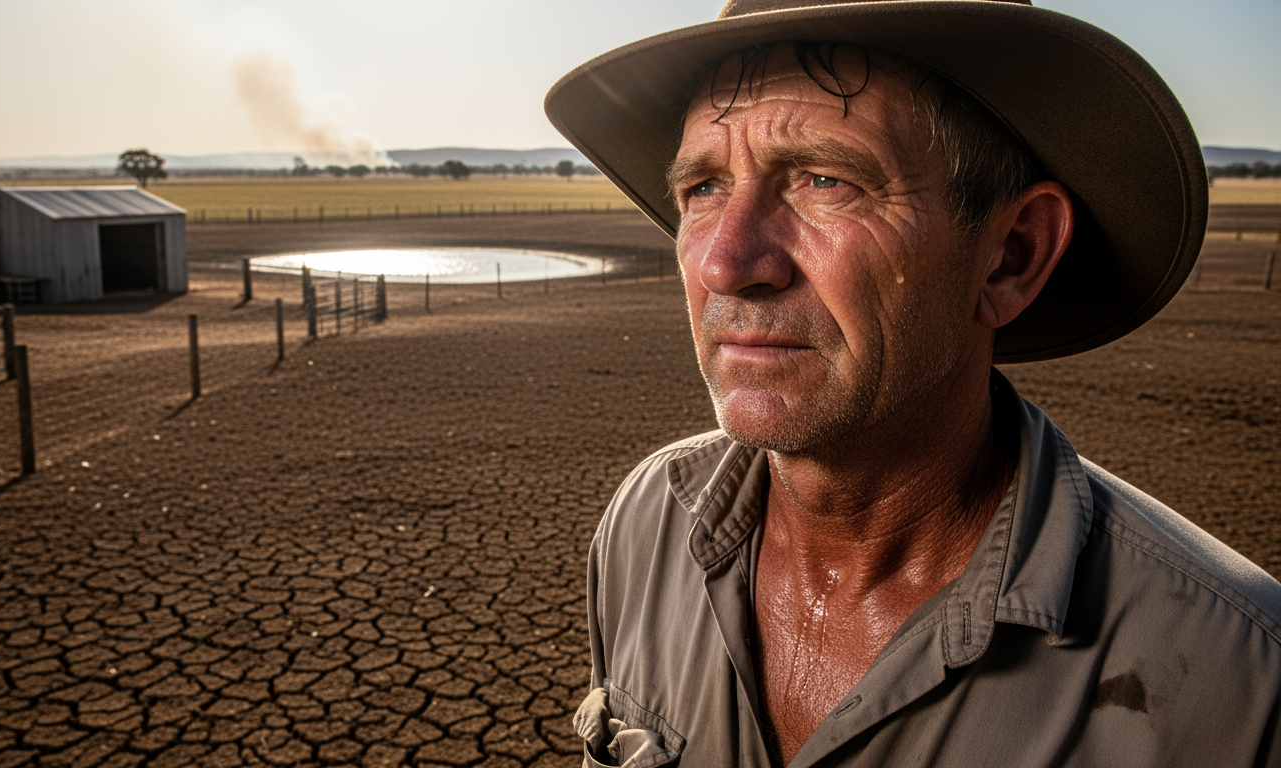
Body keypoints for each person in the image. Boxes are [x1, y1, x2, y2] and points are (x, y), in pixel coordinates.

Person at [544, 1, 1281, 766]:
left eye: (825, 180)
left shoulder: (1239, 685)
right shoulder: (647, 524)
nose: (726, 263)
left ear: (1011, 256)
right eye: (703, 187)